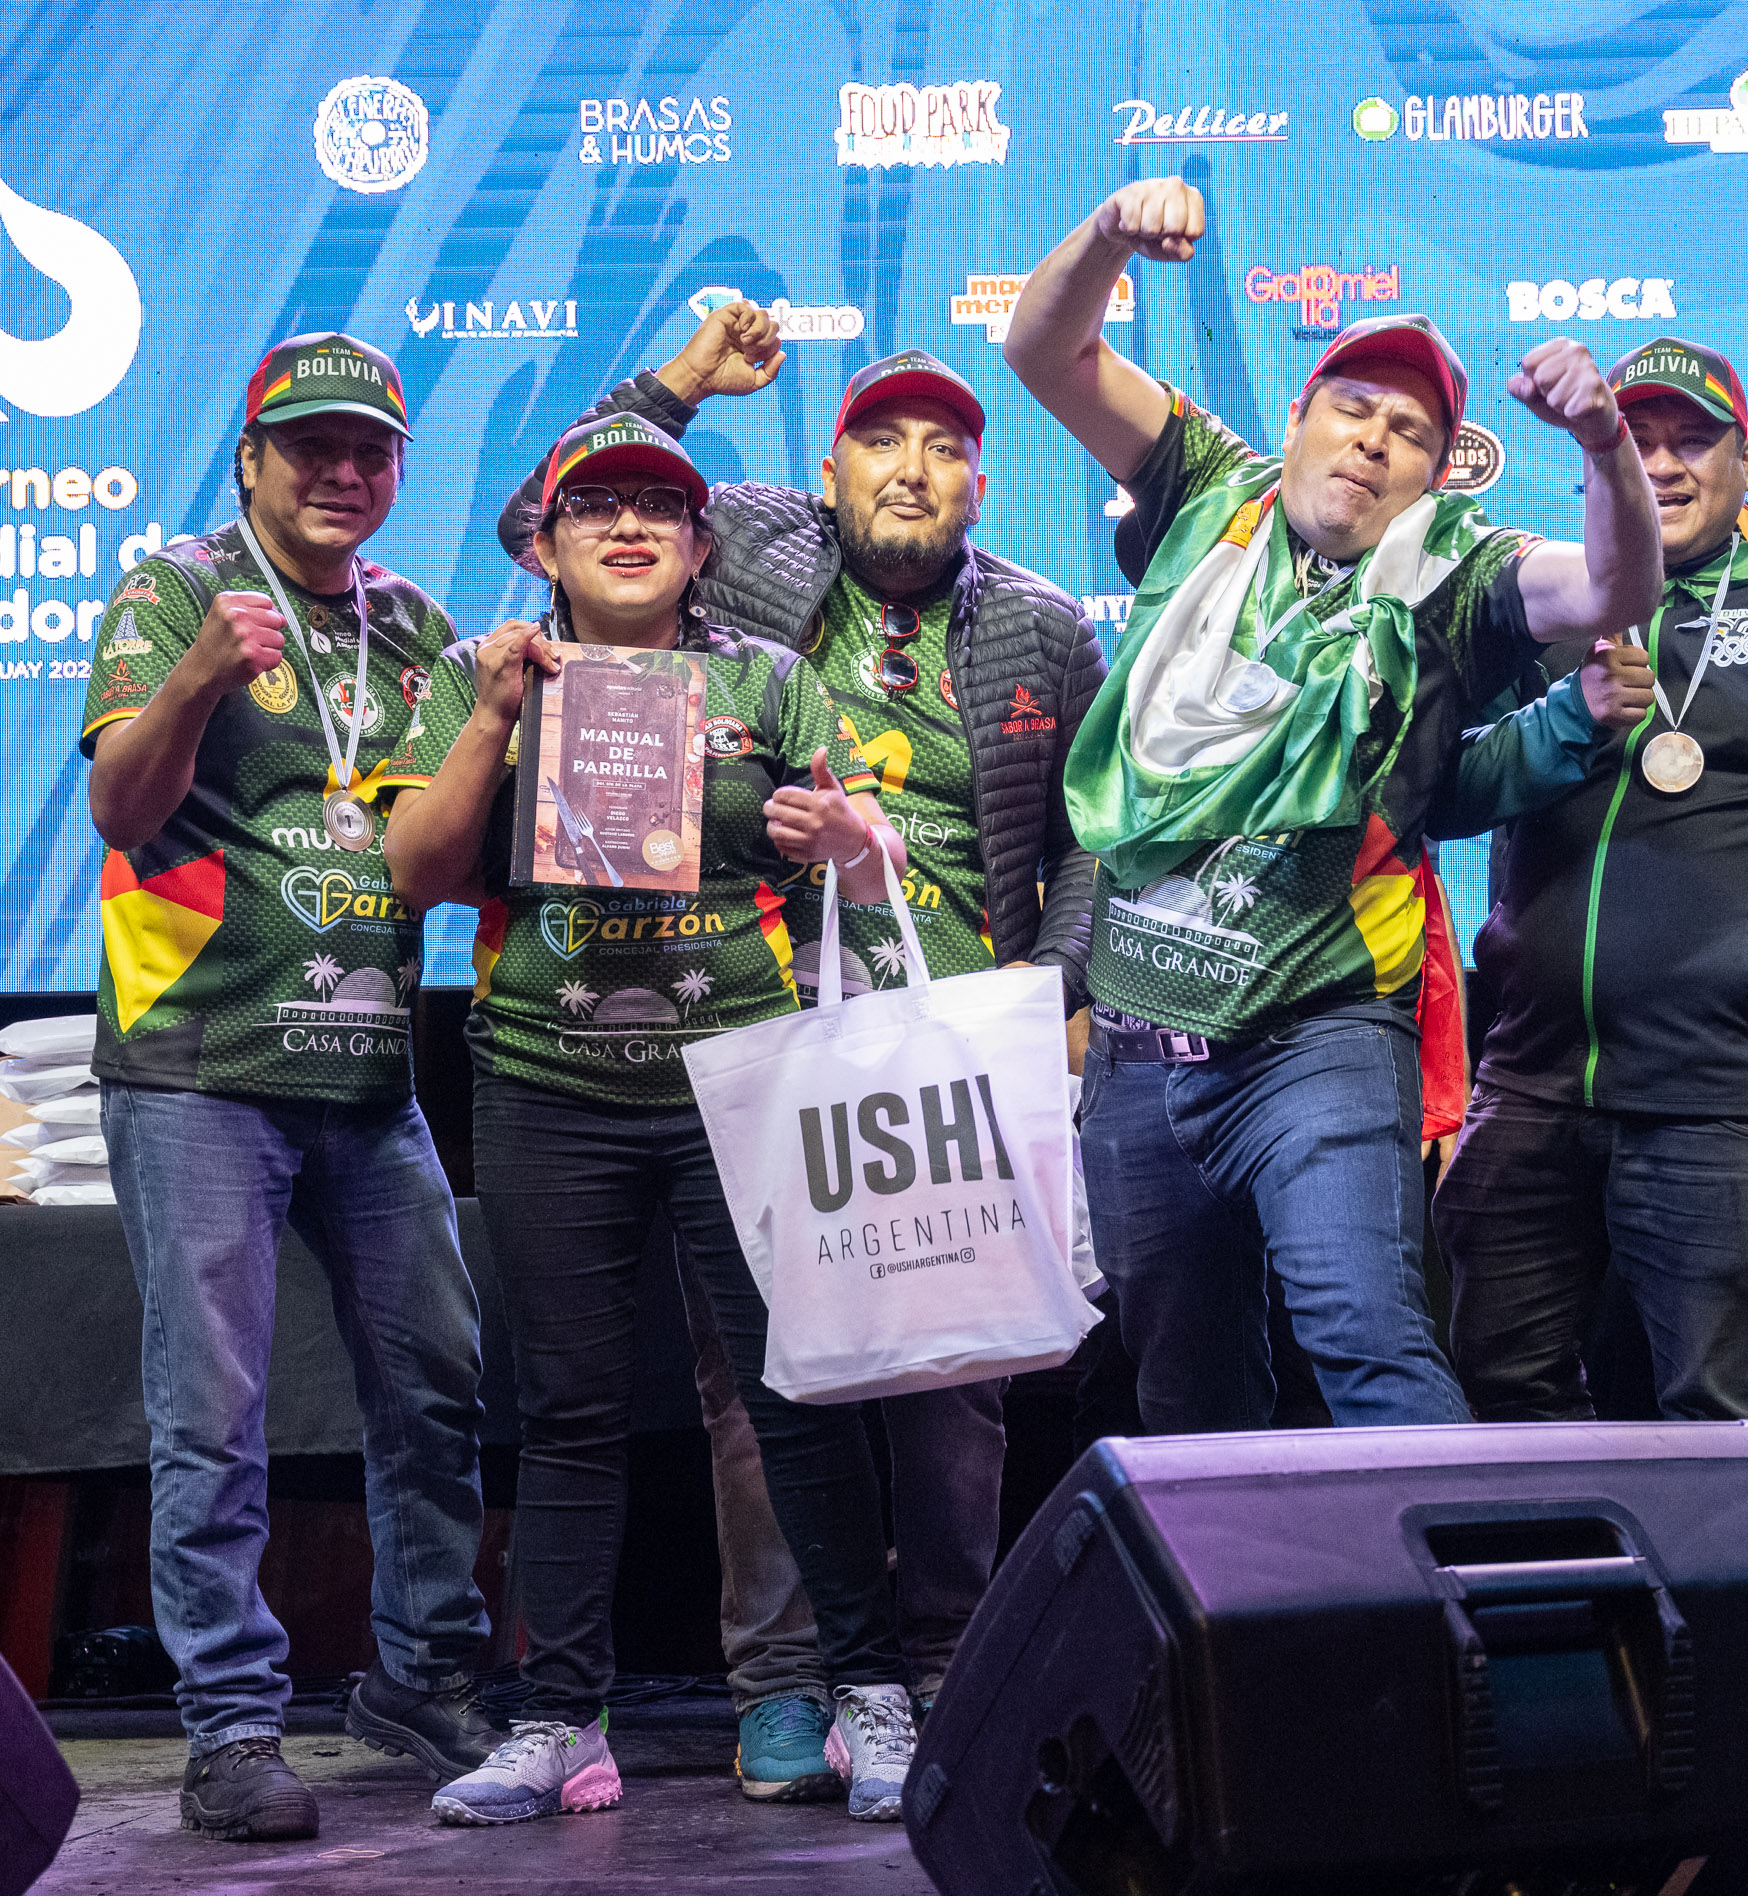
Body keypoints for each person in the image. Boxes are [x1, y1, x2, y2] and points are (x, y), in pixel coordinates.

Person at [495, 318, 1102, 1790]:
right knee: (757, 1375)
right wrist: (680, 388)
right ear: (828, 472)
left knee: (960, 1369)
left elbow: (1096, 831)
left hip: (950, 1033)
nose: (914, 469)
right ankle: (781, 1681)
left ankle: (948, 1658)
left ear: (977, 485)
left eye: (947, 447)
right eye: (884, 442)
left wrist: (1053, 984)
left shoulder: (1042, 627)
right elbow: (544, 515)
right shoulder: (752, 549)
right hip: (764, 1017)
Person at [1001, 175, 1663, 1433]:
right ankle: (1248, 1637)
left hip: (1317, 1034)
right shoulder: (1206, 488)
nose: (1373, 439)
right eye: (1353, 408)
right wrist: (1102, 233)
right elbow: (1046, 347)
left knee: (1367, 1337)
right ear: (1299, 417)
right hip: (1142, 1042)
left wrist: (1603, 445)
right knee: (1185, 1390)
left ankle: (1458, 1625)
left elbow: (1616, 586)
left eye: (1409, 433)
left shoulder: (1460, 577)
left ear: (1433, 475)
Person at [384, 416, 924, 1826]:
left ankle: (872, 1694)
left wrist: (840, 838)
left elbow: (880, 858)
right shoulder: (476, 673)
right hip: (547, 1085)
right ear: (548, 543)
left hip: (741, 1084)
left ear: (697, 551)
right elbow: (412, 871)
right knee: (566, 1413)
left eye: (660, 512)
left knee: (795, 1391)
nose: (629, 527)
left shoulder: (768, 678)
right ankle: (562, 1715)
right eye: (597, 508)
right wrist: (502, 717)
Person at [79, 333, 500, 1843]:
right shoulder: (175, 591)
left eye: (369, 451)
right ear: (249, 458)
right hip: (201, 1063)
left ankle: (423, 1672)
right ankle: (231, 1724)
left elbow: (442, 852)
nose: (341, 472)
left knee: (438, 1381)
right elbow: (122, 807)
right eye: (309, 446)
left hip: (369, 1071)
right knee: (218, 1409)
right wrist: (198, 676)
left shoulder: (422, 631)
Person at [1423, 335, 1748, 1454]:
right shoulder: (1542, 608)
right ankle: (1562, 1632)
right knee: (1505, 1399)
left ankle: (1744, 1634)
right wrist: (1566, 722)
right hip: (1531, 1086)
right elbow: (1435, 795)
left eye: (1692, 440)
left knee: (1727, 1413)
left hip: (1736, 1099)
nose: (1663, 465)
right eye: (1636, 443)